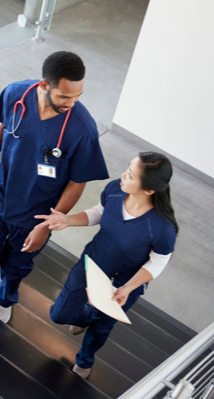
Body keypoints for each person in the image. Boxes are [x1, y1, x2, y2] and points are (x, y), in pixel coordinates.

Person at [0, 51, 109, 324]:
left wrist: (48, 224)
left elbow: (78, 180)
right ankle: (5, 264)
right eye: (64, 97)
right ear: (45, 85)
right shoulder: (15, 95)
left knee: (17, 265)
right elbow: (3, 127)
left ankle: (5, 298)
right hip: (1, 194)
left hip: (38, 211)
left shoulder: (82, 128)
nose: (72, 103)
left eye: (78, 96)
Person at [35, 152, 178, 379]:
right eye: (127, 169)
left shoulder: (162, 228)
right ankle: (86, 317)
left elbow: (158, 262)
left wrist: (129, 288)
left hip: (123, 284)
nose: (123, 175)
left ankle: (85, 360)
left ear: (149, 190)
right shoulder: (115, 189)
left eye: (130, 175)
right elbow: (100, 212)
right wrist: (68, 220)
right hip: (92, 264)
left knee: (102, 327)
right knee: (59, 314)